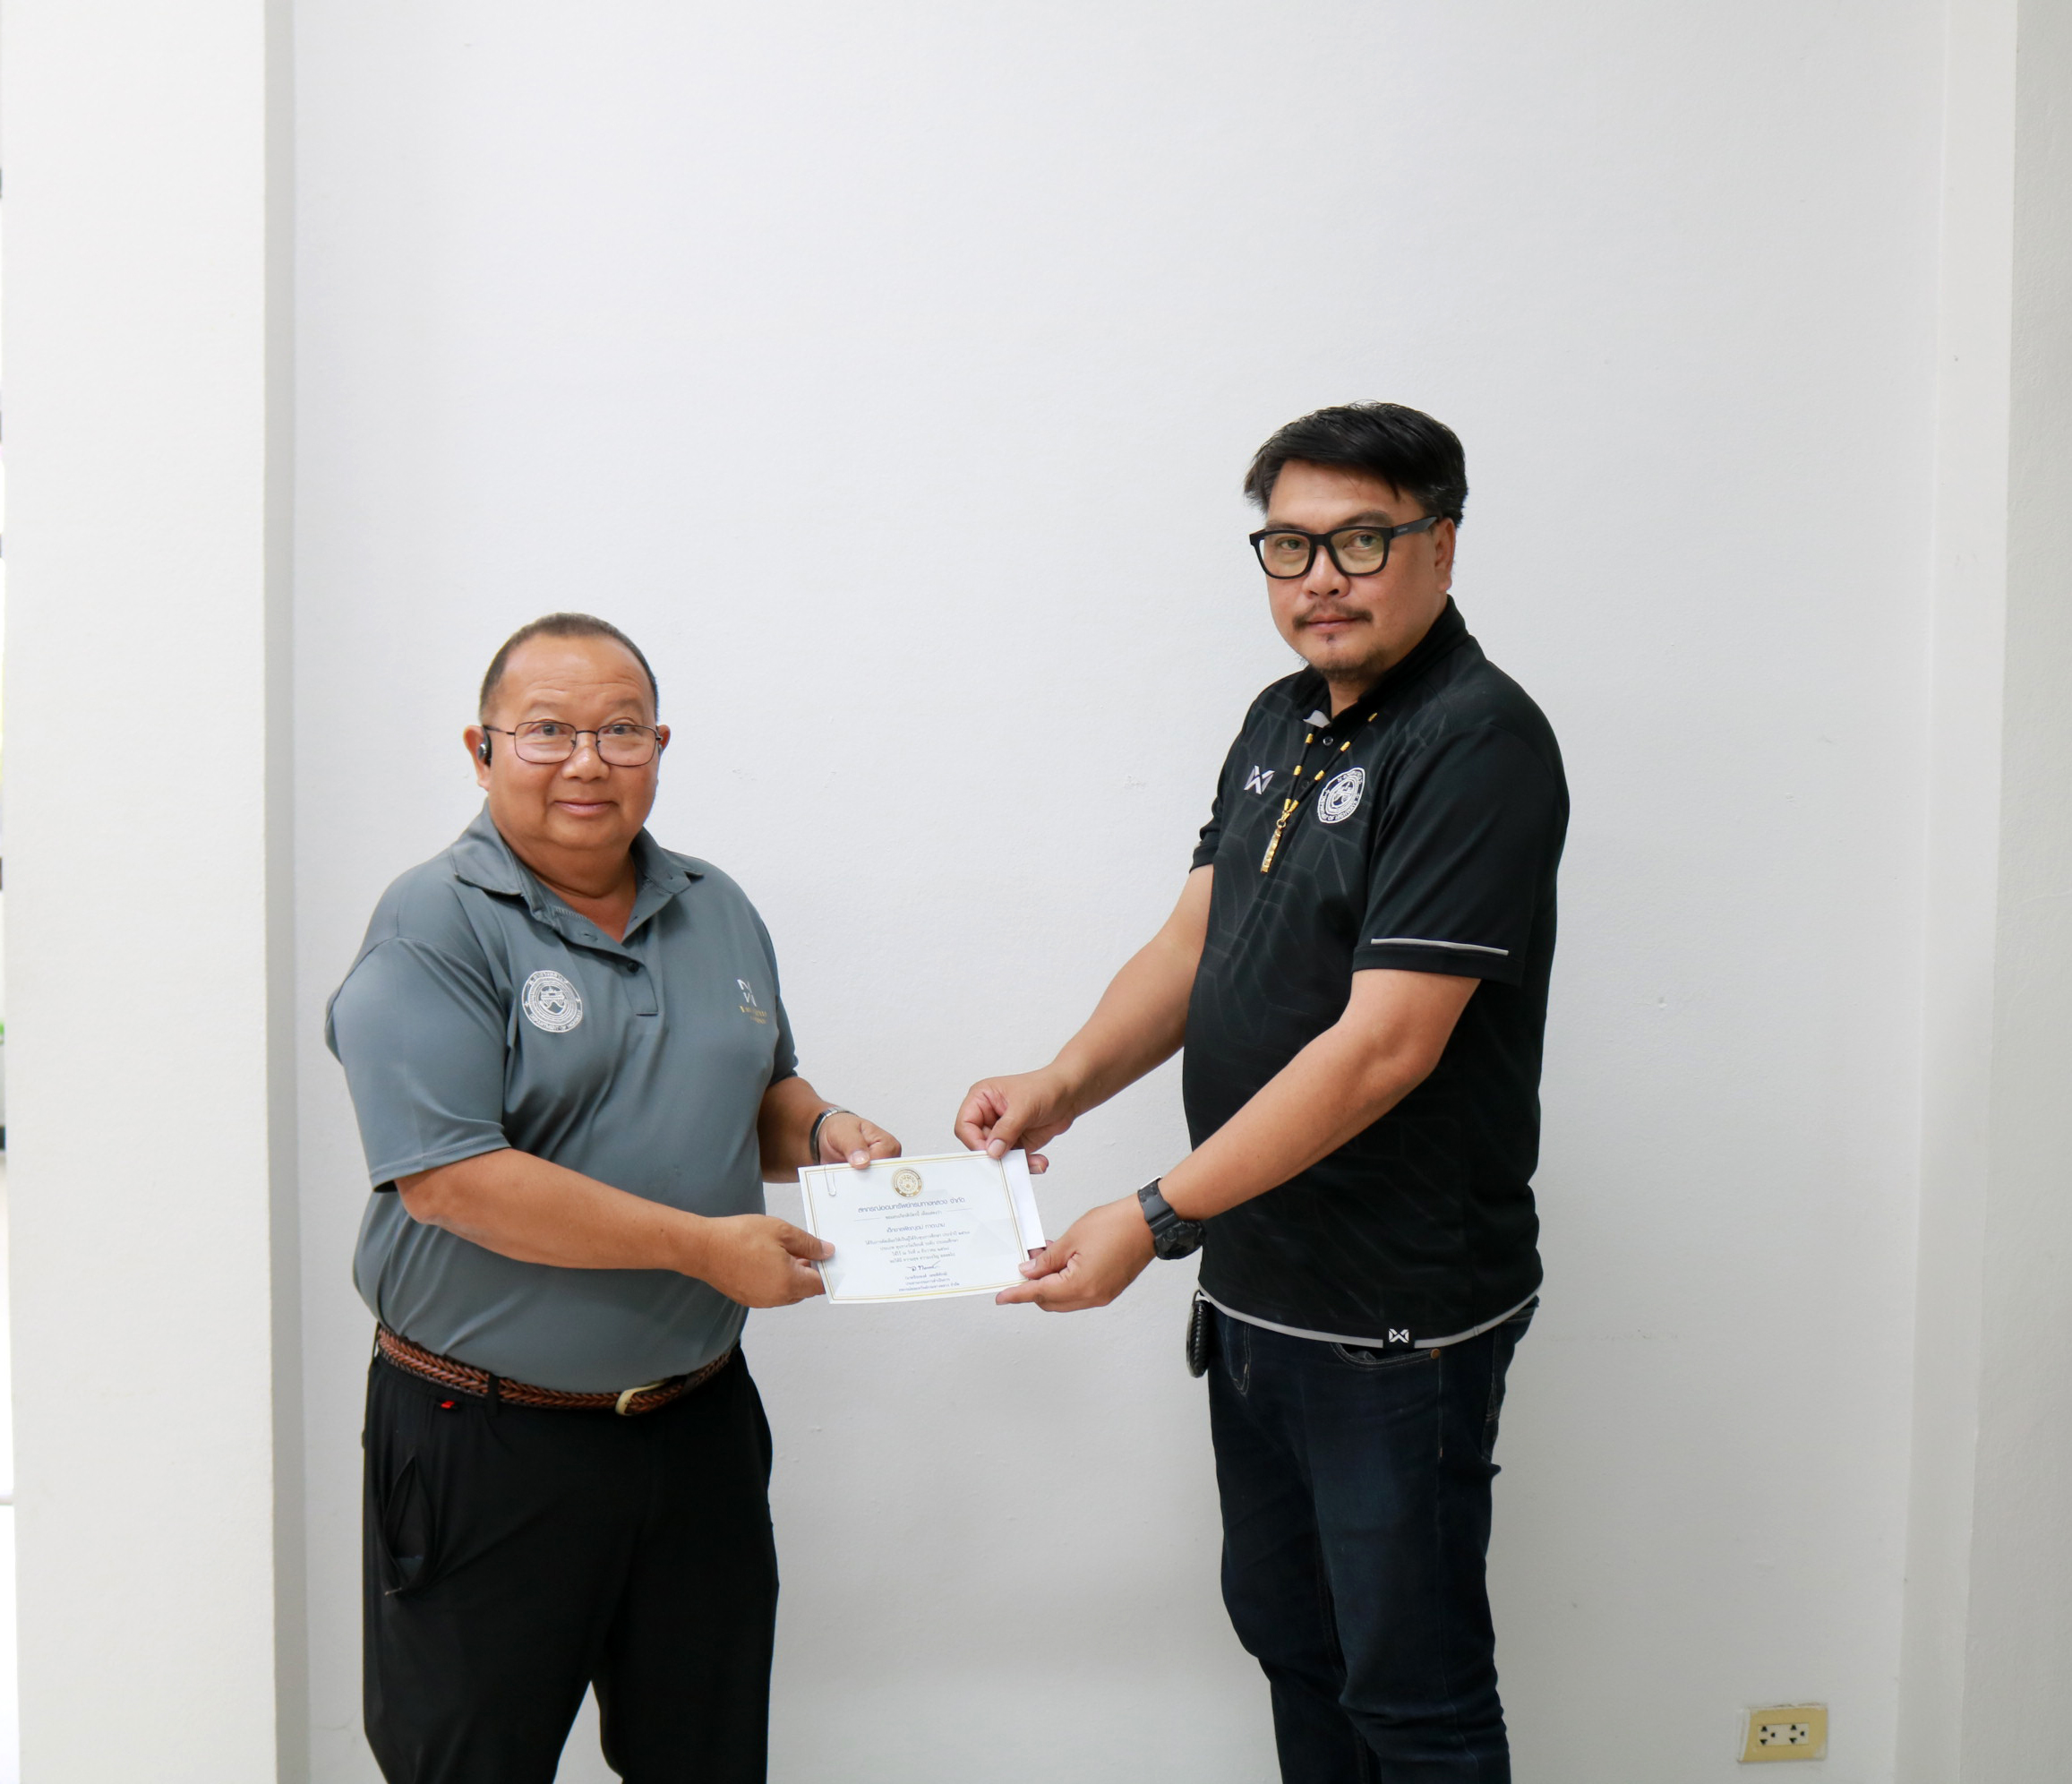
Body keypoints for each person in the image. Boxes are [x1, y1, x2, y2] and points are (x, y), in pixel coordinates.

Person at [955, 404, 1567, 1782]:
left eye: (1359, 540)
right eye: (1288, 545)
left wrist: (1155, 1216)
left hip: (1391, 1321)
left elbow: (1385, 1047)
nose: (1318, 579)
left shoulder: (1475, 741)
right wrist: (1061, 1082)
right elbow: (1195, 941)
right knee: (1293, 1644)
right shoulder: (1280, 718)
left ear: (1441, 545)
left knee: (1410, 1696)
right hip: (1258, 1292)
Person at [327, 612, 897, 1783]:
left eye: (620, 731)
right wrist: (702, 1248)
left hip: (696, 1429)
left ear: (658, 747)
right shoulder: (432, 923)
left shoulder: (715, 905)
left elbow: (754, 1091)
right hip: (488, 1438)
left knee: (704, 1758)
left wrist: (824, 1132)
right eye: (547, 731)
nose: (587, 762)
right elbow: (450, 1181)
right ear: (482, 751)